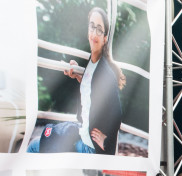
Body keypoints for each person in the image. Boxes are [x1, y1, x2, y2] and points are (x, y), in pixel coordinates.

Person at [28, 7, 123, 154]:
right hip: (83, 135)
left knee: (35, 146)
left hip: (90, 147)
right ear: (87, 31)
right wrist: (80, 76)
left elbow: (117, 113)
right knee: (46, 141)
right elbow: (93, 91)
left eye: (99, 29)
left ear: (105, 38)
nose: (94, 33)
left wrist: (106, 139)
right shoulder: (92, 65)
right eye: (92, 26)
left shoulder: (105, 73)